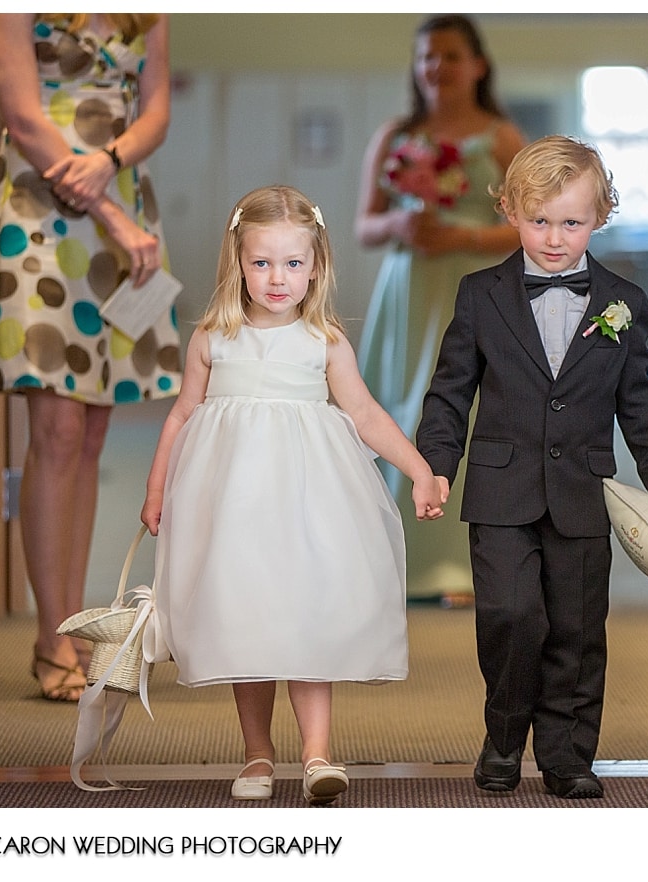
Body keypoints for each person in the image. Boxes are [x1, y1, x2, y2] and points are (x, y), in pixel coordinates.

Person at [140, 185, 447, 805]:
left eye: (293, 263)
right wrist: (157, 488)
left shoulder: (324, 340)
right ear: (238, 263)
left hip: (308, 505)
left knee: (307, 618)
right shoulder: (212, 337)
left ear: (316, 266)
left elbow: (363, 413)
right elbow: (180, 416)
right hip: (232, 511)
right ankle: (257, 753)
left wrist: (419, 469)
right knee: (245, 624)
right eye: (261, 263)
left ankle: (317, 754)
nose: (277, 278)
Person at [415, 136, 648, 799]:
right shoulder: (480, 295)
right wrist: (435, 465)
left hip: (583, 493)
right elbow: (451, 391)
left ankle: (567, 754)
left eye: (573, 222)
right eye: (540, 221)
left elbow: (641, 405)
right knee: (510, 615)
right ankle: (505, 733)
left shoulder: (623, 302)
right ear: (509, 210)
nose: (556, 238)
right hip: (501, 490)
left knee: (576, 628)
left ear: (602, 214)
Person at [0, 13, 182, 702]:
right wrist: (111, 209)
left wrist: (114, 160)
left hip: (120, 192)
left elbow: (156, 108)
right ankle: (50, 639)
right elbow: (22, 113)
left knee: (93, 431)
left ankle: (74, 623)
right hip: (43, 206)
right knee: (58, 428)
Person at [355, 14, 526, 602]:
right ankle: (396, 561)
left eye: (451, 55)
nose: (437, 67)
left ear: (477, 65)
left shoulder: (502, 138)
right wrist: (399, 221)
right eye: (427, 55)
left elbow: (534, 226)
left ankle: (461, 567)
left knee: (473, 410)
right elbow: (362, 224)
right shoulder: (395, 136)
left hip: (475, 285)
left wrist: (464, 238)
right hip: (409, 290)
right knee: (399, 407)